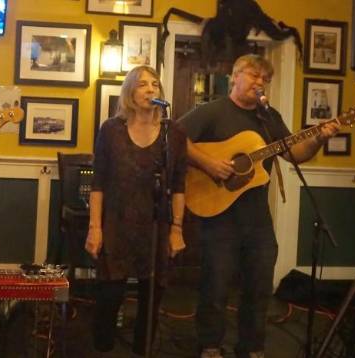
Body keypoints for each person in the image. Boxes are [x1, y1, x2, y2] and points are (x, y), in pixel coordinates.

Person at [178, 54, 339, 358]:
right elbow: (174, 137)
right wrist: (210, 163)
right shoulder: (212, 111)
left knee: (260, 287)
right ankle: (210, 346)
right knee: (215, 288)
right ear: (235, 76)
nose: (260, 82)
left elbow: (293, 153)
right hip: (219, 216)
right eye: (254, 75)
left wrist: (319, 139)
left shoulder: (268, 117)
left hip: (257, 219)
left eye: (265, 78)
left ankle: (252, 348)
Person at [85, 65, 187, 356]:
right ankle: (102, 349)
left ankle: (142, 349)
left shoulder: (174, 133)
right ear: (130, 91)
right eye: (142, 84)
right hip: (117, 223)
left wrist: (177, 229)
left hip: (156, 226)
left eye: (154, 84)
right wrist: (95, 228)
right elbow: (98, 183)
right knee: (109, 295)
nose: (150, 89)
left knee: (151, 297)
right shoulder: (111, 130)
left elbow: (179, 185)